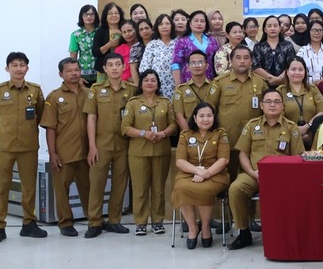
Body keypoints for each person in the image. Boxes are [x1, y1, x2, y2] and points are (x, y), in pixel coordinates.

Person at [229, 88, 305, 250]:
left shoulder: (291, 128)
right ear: (261, 105)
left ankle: (283, 232)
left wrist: (283, 175)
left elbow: (297, 158)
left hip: (281, 177)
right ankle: (244, 233)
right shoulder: (252, 126)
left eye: (277, 102)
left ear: (282, 106)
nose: (272, 105)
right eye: (268, 102)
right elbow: (243, 154)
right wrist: (252, 173)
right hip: (254, 174)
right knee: (236, 189)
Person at [0, 52, 46, 243]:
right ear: (7, 68)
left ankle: (29, 224)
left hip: (28, 147)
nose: (18, 69)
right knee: (1, 187)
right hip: (4, 147)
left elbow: (40, 114)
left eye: (22, 65)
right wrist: (3, 132)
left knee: (29, 187)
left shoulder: (35, 90)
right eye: (14, 65)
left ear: (27, 68)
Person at [83, 52, 135, 238]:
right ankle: (94, 222)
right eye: (110, 65)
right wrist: (92, 146)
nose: (114, 68)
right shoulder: (95, 90)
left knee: (120, 184)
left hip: (124, 145)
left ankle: (114, 220)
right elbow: (91, 118)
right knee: (96, 184)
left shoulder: (131, 90)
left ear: (123, 67)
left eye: (118, 64)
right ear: (104, 69)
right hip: (101, 145)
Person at [122, 69, 177, 236]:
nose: (150, 83)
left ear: (158, 84)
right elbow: (125, 127)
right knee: (140, 189)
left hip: (161, 150)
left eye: (153, 80)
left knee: (159, 189)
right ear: (141, 83)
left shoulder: (165, 102)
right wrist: (143, 133)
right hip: (139, 152)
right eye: (146, 80)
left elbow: (173, 125)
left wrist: (163, 134)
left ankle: (157, 221)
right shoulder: (133, 103)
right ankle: (140, 222)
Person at [40, 57, 91, 237]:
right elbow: (50, 127)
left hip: (87, 152)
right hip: (64, 152)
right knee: (62, 189)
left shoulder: (89, 94)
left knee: (89, 187)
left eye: (76, 70)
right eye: (69, 71)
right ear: (61, 74)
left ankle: (94, 219)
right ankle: (65, 222)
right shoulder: (54, 97)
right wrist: (52, 153)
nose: (74, 73)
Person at [172, 102, 231, 249]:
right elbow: (180, 161)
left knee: (204, 189)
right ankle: (193, 228)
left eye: (209, 115)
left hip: (215, 174)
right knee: (181, 189)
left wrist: (206, 174)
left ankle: (205, 227)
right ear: (194, 118)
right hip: (189, 173)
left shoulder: (220, 133)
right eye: (202, 116)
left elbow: (223, 160)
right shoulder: (186, 134)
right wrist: (198, 171)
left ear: (214, 117)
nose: (205, 119)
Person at [206, 45, 267, 184]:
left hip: (254, 141)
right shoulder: (220, 82)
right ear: (231, 61)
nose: (242, 61)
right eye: (238, 58)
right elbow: (209, 110)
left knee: (252, 180)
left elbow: (267, 110)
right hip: (228, 140)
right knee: (228, 179)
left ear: (251, 61)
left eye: (246, 58)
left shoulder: (260, 82)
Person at [278, 56, 323, 148]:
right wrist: (296, 131)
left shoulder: (312, 89)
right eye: (293, 69)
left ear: (305, 72)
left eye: (300, 69)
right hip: (288, 137)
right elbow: (278, 116)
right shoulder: (280, 91)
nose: (297, 72)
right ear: (287, 72)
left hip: (312, 136)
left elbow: (321, 111)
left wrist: (307, 127)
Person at [172, 10, 220, 84]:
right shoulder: (182, 41)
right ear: (190, 23)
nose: (199, 23)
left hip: (210, 80)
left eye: (202, 21)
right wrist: (178, 84)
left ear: (206, 24)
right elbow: (176, 64)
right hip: (188, 81)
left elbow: (217, 60)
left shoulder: (212, 40)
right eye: (196, 21)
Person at [173, 50, 213, 134]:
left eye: (200, 62)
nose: (197, 66)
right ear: (188, 67)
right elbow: (179, 116)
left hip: (211, 134)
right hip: (189, 135)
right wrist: (191, 135)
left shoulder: (215, 87)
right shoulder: (180, 90)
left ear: (207, 65)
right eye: (193, 63)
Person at [252, 15, 297, 88]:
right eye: (269, 26)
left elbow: (292, 64)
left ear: (280, 28)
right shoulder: (258, 46)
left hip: (284, 84)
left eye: (275, 26)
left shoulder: (288, 45)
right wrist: (271, 78)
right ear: (265, 29)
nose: (272, 28)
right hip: (263, 85)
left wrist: (280, 79)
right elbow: (255, 67)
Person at [139, 14, 177, 100]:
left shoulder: (178, 43)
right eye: (161, 24)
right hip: (157, 88)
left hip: (176, 85)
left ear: (172, 26)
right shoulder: (152, 45)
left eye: (167, 23)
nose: (164, 26)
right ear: (157, 27)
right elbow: (144, 69)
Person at [91, 2, 125, 81]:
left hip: (123, 69)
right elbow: (95, 52)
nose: (114, 15)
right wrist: (108, 45)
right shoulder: (100, 31)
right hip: (104, 70)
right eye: (110, 13)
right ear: (105, 17)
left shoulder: (124, 29)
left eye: (116, 13)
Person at [297, 19, 323, 85]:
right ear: (309, 32)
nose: (317, 33)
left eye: (320, 30)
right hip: (307, 86)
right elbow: (297, 71)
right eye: (314, 30)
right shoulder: (302, 51)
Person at [69, 4, 99, 86]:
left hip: (101, 74)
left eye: (91, 14)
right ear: (81, 16)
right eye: (86, 14)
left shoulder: (101, 32)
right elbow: (73, 58)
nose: (89, 16)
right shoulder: (76, 35)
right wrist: (78, 77)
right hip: (83, 76)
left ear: (96, 16)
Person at [130, 17, 154, 85]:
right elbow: (133, 70)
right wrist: (139, 86)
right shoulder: (135, 48)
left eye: (146, 28)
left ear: (152, 29)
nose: (144, 31)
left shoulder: (159, 44)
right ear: (138, 32)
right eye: (141, 29)